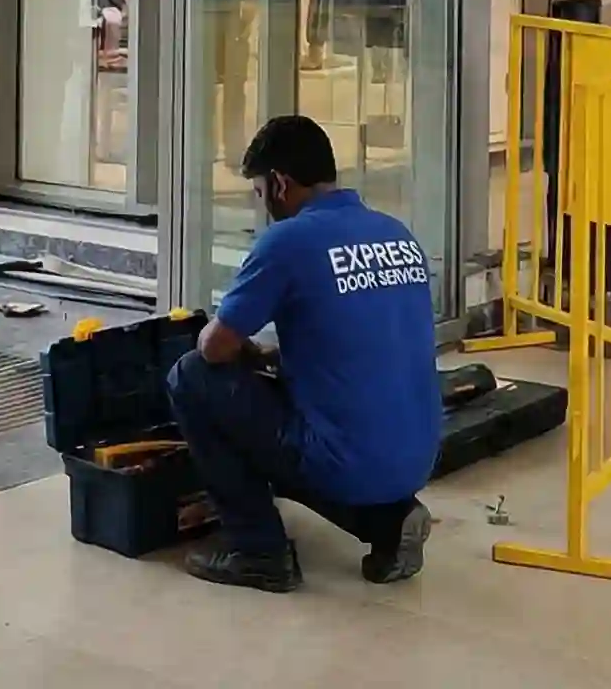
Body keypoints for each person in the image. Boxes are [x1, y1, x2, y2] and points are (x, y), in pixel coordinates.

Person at [166, 116, 436, 592]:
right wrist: (275, 358)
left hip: (345, 457)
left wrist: (241, 351)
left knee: (192, 377)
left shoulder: (288, 241)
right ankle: (389, 521)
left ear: (279, 183)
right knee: (310, 423)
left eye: (258, 191)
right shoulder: (395, 233)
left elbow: (213, 347)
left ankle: (258, 552)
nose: (262, 203)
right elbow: (367, 340)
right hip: (417, 453)